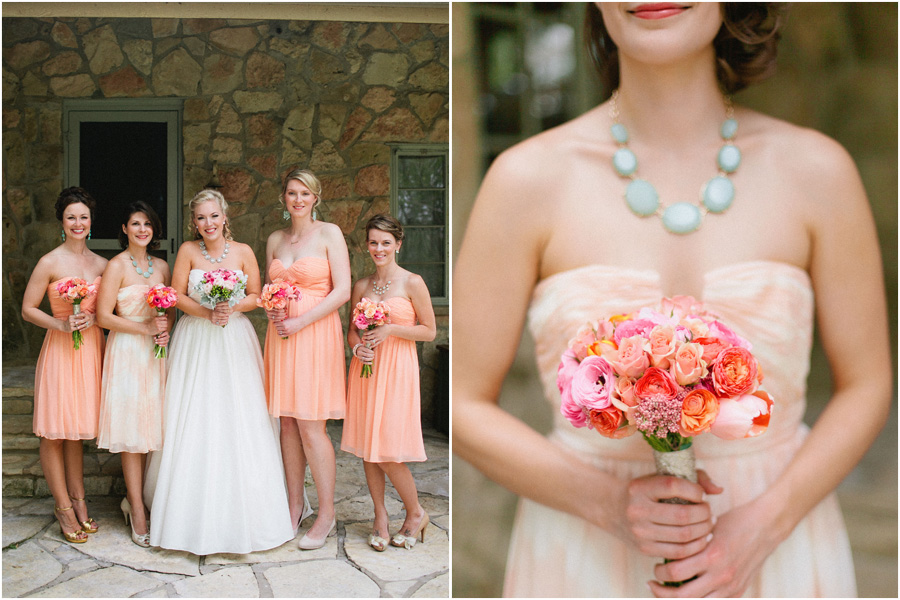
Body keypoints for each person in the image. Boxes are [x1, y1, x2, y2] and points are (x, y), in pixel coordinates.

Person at [452, 3, 891, 597]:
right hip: (584, 554)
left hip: (780, 547)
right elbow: (460, 402)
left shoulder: (818, 171)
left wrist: (765, 526)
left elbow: (867, 384)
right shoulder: (524, 181)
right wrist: (607, 502)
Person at [143, 189, 293, 555]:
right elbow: (176, 294)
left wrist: (229, 307)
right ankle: (184, 514)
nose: (207, 224)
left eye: (213, 216)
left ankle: (250, 513)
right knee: (194, 414)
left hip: (234, 340)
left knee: (238, 415)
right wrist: (207, 312)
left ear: (225, 216)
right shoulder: (189, 252)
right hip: (196, 339)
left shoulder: (242, 251)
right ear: (193, 222)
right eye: (200, 218)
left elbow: (258, 294)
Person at [262, 168, 350, 550]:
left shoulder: (329, 233)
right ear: (284, 198)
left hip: (314, 333)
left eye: (304, 193)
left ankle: (327, 513)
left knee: (312, 425)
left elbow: (343, 290)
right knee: (286, 424)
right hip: (281, 336)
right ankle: (294, 504)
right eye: (291, 193)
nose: (297, 199)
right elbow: (270, 288)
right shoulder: (275, 239)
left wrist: (300, 321)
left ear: (316, 197)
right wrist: (272, 310)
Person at [341, 215, 436, 552]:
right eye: (373, 242)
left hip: (397, 370)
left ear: (398, 243)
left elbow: (429, 330)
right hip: (366, 368)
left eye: (385, 242)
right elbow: (353, 328)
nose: (379, 248)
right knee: (369, 447)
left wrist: (391, 329)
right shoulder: (362, 286)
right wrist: (357, 347)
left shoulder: (413, 282)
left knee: (388, 450)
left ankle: (415, 512)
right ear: (366, 245)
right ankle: (379, 517)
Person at [22, 187, 107, 544]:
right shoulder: (50, 262)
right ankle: (63, 507)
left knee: (75, 431)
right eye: (71, 217)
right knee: (55, 430)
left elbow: (107, 313)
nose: (78, 223)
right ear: (62, 221)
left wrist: (95, 321)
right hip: (60, 349)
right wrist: (59, 324)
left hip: (90, 350)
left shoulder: (103, 264)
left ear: (91, 221)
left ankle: (79, 500)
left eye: (83, 217)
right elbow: (28, 308)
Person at [96, 201, 172, 547]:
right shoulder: (116, 266)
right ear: (124, 229)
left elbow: (168, 312)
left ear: (154, 230)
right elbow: (103, 317)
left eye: (147, 224)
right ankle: (138, 511)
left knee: (153, 429)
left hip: (155, 354)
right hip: (127, 353)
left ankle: (143, 499)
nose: (142, 229)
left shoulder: (162, 267)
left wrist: (163, 328)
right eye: (135, 224)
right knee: (132, 432)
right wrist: (143, 330)